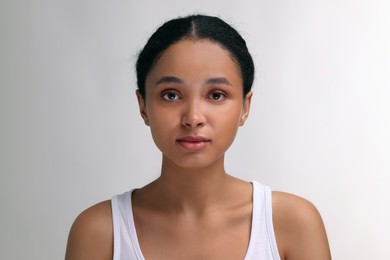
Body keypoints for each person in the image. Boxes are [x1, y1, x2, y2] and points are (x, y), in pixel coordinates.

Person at [65, 14, 331, 260]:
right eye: (171, 95)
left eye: (216, 95)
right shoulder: (100, 233)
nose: (193, 117)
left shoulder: (291, 224)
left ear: (245, 107)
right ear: (143, 106)